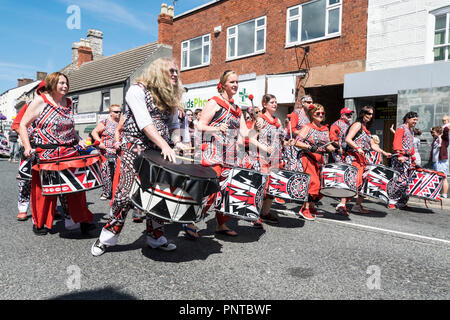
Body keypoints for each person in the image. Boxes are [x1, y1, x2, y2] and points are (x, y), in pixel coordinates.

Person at [91, 57, 187, 256]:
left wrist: (176, 142)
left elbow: (174, 125)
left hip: (160, 150)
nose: (175, 74)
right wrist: (164, 145)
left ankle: (155, 237)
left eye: (176, 71)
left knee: (158, 194)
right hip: (135, 148)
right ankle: (106, 238)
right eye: (171, 71)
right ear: (159, 72)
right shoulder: (136, 90)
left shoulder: (170, 96)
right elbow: (145, 123)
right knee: (124, 195)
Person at [18, 72, 95, 235]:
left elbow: (69, 127)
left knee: (77, 188)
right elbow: (23, 124)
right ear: (52, 84)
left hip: (69, 150)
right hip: (46, 152)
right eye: (61, 83)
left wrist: (78, 139)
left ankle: (83, 220)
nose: (65, 86)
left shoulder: (68, 102)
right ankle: (40, 223)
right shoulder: (40, 101)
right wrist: (26, 147)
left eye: (66, 83)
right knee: (45, 190)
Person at [197, 70, 251, 237]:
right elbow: (200, 126)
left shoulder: (237, 109)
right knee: (210, 190)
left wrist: (256, 126)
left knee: (227, 190)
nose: (235, 85)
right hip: (214, 153)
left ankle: (221, 224)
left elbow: (244, 132)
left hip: (231, 155)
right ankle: (190, 221)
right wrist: (217, 128)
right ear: (223, 84)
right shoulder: (214, 102)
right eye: (232, 82)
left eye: (237, 82)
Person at [338, 106, 391, 215]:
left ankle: (357, 205)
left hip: (362, 159)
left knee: (364, 183)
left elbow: (373, 145)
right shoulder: (357, 125)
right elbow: (348, 139)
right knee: (352, 181)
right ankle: (342, 205)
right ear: (362, 113)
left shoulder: (366, 129)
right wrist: (357, 148)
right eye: (367, 113)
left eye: (371, 114)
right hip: (354, 157)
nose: (369, 116)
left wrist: (384, 152)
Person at [289, 103, 336, 221]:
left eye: (322, 113)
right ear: (312, 114)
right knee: (313, 183)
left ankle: (312, 207)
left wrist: (331, 147)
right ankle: (304, 209)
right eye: (318, 113)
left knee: (321, 185)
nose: (321, 115)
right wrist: (309, 147)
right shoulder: (307, 127)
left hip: (320, 160)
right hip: (308, 158)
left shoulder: (325, 129)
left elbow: (327, 143)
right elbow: (297, 142)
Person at [249, 94, 286, 226]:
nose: (275, 104)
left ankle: (265, 213)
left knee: (272, 188)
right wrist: (264, 147)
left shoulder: (278, 121)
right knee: (260, 187)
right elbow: (252, 139)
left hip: (275, 158)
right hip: (261, 158)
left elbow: (281, 139)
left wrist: (287, 142)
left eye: (276, 102)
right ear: (264, 104)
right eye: (272, 102)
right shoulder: (260, 120)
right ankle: (255, 215)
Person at [388, 111, 419, 209]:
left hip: (408, 158)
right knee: (400, 181)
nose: (415, 122)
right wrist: (399, 155)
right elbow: (396, 142)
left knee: (408, 182)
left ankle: (402, 202)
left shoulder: (411, 131)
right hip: (400, 158)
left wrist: (413, 158)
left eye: (416, 120)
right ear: (407, 119)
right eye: (414, 120)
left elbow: (411, 145)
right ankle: (392, 201)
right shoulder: (401, 128)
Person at [91, 104, 122, 200]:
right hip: (106, 151)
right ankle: (105, 192)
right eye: (116, 112)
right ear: (111, 113)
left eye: (120, 111)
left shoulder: (122, 123)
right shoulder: (105, 121)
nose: (119, 113)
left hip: (118, 152)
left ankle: (117, 192)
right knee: (106, 173)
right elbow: (94, 132)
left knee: (119, 173)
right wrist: (99, 142)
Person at [284, 95, 313, 171]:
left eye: (312, 102)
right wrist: (305, 133)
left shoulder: (310, 115)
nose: (311, 104)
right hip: (293, 146)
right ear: (303, 103)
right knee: (294, 169)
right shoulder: (296, 113)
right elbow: (291, 130)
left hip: (303, 147)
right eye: (309, 102)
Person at [430, 125, 449, 199]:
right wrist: (432, 130)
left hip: (441, 162)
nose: (432, 133)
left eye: (434, 132)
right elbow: (432, 132)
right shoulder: (436, 139)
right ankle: (437, 193)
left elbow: (446, 131)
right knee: (437, 177)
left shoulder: (444, 139)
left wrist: (445, 125)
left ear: (438, 132)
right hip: (436, 161)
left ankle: (444, 194)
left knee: (443, 177)